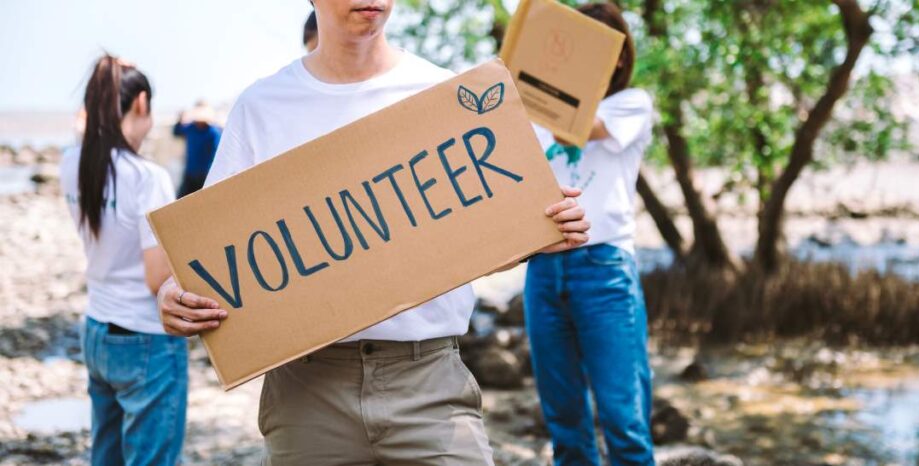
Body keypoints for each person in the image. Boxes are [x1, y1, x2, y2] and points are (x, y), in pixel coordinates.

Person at [156, 0, 591, 464]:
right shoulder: (262, 107)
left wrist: (534, 233)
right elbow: (211, 253)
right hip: (307, 392)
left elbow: (464, 244)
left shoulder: (443, 91)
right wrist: (174, 293)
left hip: (429, 380)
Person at [524, 3, 656, 465]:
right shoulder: (535, 116)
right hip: (541, 268)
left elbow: (580, 128)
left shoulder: (630, 104)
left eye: (595, 48)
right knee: (565, 425)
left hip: (603, 270)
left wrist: (527, 77)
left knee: (625, 423)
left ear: (619, 57)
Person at [59, 55, 186, 466]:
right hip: (145, 336)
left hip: (97, 328)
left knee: (106, 456)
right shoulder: (148, 177)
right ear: (142, 104)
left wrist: (106, 75)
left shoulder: (71, 163)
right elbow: (157, 280)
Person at [172, 101, 222, 198]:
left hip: (206, 175)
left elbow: (217, 154)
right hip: (190, 174)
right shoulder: (191, 128)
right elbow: (176, 132)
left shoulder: (213, 132)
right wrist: (180, 118)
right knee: (180, 202)